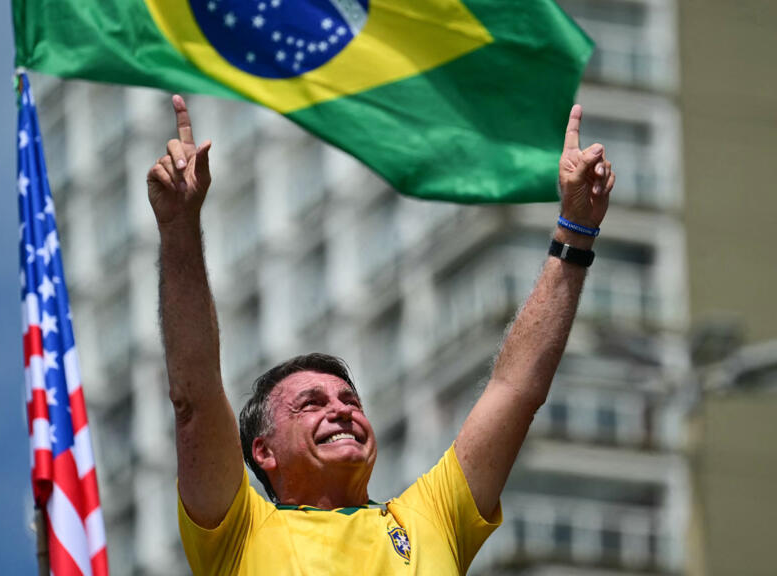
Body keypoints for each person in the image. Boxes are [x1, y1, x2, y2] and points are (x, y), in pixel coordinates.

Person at [146, 95, 615, 575]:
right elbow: (195, 395)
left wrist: (576, 231)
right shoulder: (239, 528)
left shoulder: (431, 517)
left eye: (350, 401)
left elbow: (514, 390)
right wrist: (179, 226)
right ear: (264, 453)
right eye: (310, 403)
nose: (341, 410)